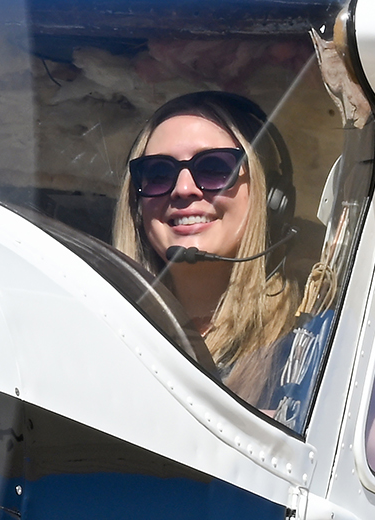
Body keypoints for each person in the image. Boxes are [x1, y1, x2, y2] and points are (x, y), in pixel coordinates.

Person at [110, 90, 335, 414]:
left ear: (270, 197)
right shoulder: (103, 328)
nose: (183, 189)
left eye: (214, 168)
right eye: (158, 173)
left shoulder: (312, 351)